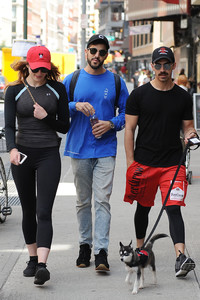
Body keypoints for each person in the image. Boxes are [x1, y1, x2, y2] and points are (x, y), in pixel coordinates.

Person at [123, 46, 197, 278]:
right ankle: (139, 248)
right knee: (143, 208)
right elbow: (129, 130)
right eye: (158, 64)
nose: (163, 69)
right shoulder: (139, 95)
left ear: (174, 66)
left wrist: (192, 136)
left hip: (173, 164)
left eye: (167, 64)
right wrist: (130, 163)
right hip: (144, 163)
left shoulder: (183, 97)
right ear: (152, 66)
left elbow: (188, 127)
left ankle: (180, 257)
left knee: (173, 208)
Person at [63, 34, 129, 272]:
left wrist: (111, 123)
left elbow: (126, 115)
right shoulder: (72, 79)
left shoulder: (116, 81)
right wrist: (74, 105)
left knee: (102, 200)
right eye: (93, 51)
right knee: (83, 202)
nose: (97, 56)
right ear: (86, 52)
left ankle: (101, 251)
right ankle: (84, 246)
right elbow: (57, 105)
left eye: (102, 52)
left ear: (107, 55)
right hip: (78, 149)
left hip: (105, 149)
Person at [4, 45, 70, 285]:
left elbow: (65, 126)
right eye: (36, 68)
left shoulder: (58, 89)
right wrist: (11, 148)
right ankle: (32, 259)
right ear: (28, 66)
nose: (40, 73)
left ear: (49, 67)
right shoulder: (14, 91)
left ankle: (42, 265)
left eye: (44, 69)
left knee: (44, 211)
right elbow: (9, 125)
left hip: (48, 154)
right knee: (28, 209)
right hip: (22, 154)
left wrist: (47, 118)